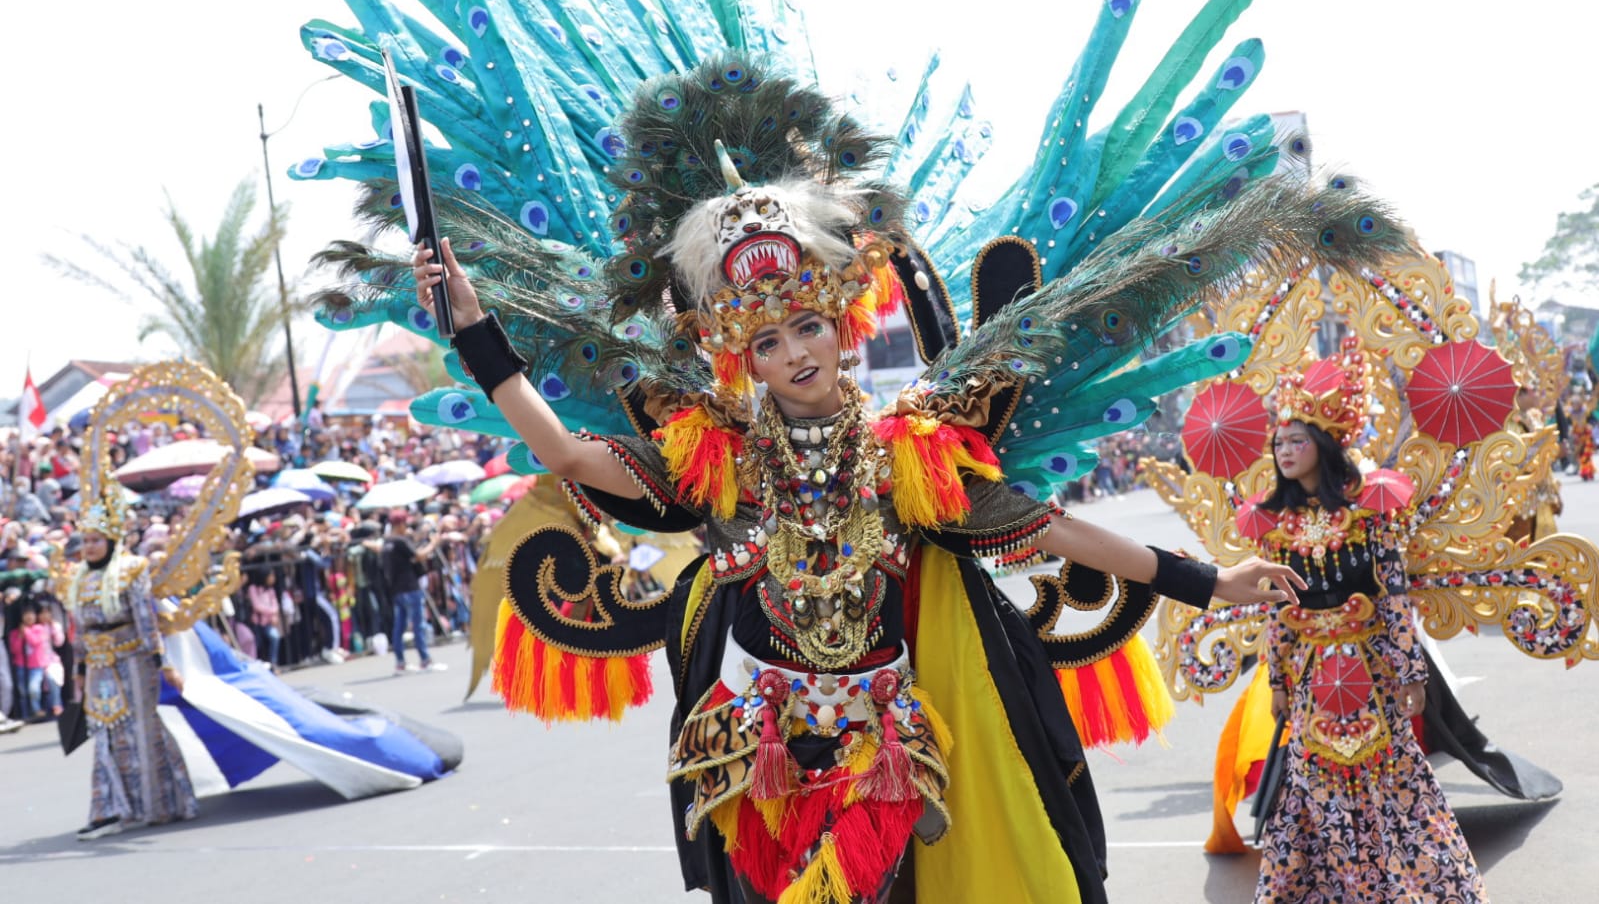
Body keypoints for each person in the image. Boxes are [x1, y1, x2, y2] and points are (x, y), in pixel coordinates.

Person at [408, 117, 1311, 903]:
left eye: (807, 327)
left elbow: (1047, 528)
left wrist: (1210, 580)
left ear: (841, 329)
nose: (795, 351)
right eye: (767, 340)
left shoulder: (902, 456)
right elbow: (565, 453)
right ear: (744, 361)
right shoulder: (717, 462)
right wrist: (473, 330)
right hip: (752, 755)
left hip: (882, 753)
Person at [1248, 348, 1485, 902]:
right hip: (1310, 682)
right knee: (1309, 784)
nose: (1284, 452)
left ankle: (1410, 886)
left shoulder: (1370, 513)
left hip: (1372, 675)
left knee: (1394, 779)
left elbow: (1394, 599)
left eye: (1296, 441)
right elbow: (1277, 614)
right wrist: (1278, 683)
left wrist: (1411, 673)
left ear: (1323, 446)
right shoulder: (1274, 528)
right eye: (1279, 443)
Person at [64, 487, 198, 840]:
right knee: (105, 734)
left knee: (141, 729)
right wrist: (78, 671)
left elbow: (145, 619)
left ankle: (160, 805)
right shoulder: (79, 577)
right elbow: (78, 630)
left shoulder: (132, 569)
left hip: (134, 659)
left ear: (111, 540)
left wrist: (163, 663)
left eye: (96, 539)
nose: (89, 546)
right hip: (98, 665)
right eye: (85, 539)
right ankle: (109, 808)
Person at [384, 511, 442, 674]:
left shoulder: (388, 542)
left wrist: (417, 537)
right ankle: (425, 660)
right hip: (410, 587)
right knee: (418, 625)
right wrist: (433, 543)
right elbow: (419, 555)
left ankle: (400, 662)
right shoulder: (400, 541)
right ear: (401, 524)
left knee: (399, 627)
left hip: (397, 589)